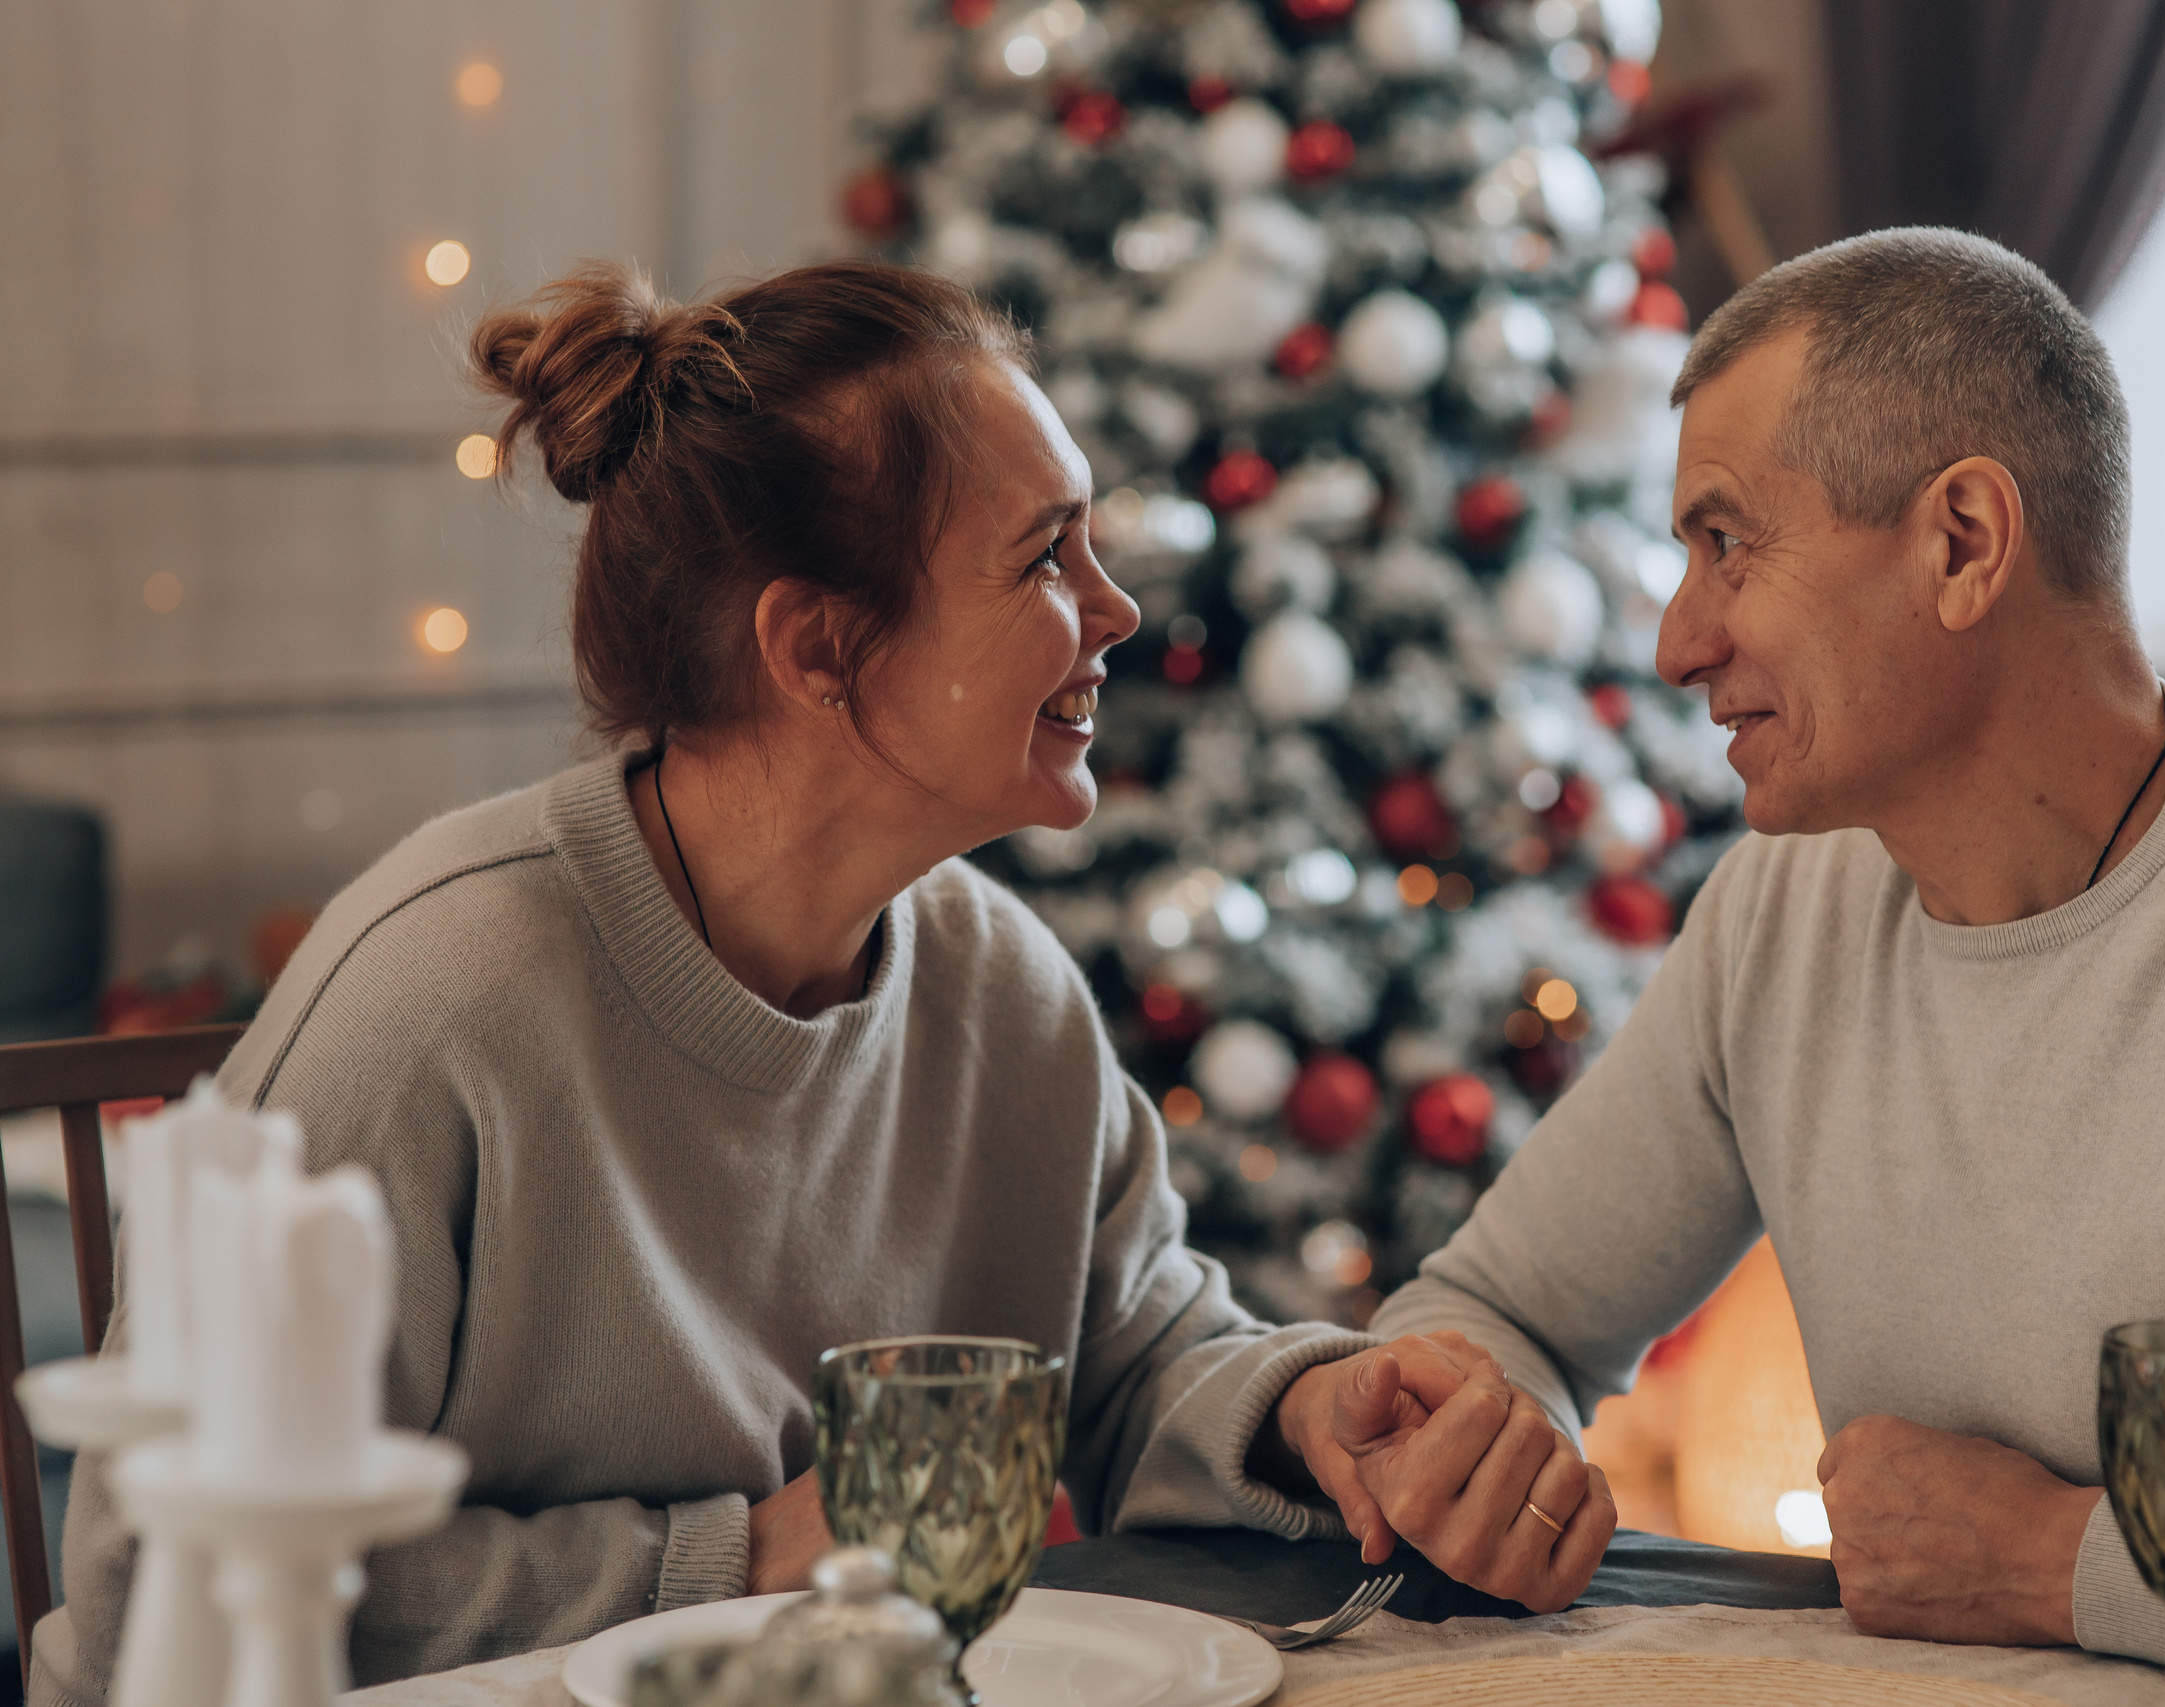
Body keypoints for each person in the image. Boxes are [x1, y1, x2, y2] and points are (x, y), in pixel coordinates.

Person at [29, 258, 1473, 1699]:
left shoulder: (1004, 991)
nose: (1117, 610)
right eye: (1045, 558)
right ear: (819, 647)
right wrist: (741, 1562)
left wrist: (1304, 1409)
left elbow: (1135, 1358)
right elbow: (159, 1583)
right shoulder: (436, 1004)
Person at [1278, 228, 2165, 1703]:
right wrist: (1464, 1431)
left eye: (1727, 543)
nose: (1678, 641)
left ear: (1961, 543)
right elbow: (1498, 1308)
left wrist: (2054, 1561)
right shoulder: (1786, 908)